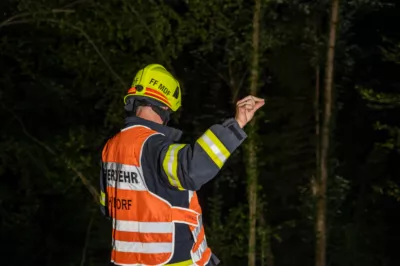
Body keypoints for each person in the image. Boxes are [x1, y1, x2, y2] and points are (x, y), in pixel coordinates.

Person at [99, 64, 264, 266]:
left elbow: (108, 206)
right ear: (166, 106)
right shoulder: (153, 145)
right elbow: (192, 168)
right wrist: (236, 125)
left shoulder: (111, 147)